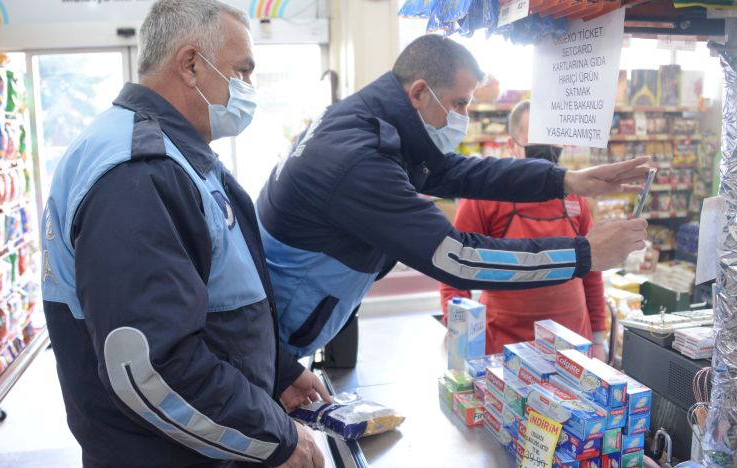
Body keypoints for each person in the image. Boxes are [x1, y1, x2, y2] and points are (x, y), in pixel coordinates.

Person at [41, 2, 328, 467]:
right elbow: (154, 365)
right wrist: (277, 437)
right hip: (166, 452)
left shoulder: (175, 155)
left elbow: (211, 300)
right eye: (242, 71)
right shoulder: (139, 174)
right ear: (192, 64)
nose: (249, 89)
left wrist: (276, 371)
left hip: (199, 439)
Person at [257, 35, 649, 359]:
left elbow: (457, 171)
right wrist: (582, 255)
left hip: (284, 329)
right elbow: (457, 258)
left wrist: (566, 181)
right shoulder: (358, 161)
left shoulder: (372, 123)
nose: (463, 116)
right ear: (419, 93)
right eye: (460, 103)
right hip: (274, 336)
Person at [439, 100, 607, 359]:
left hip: (573, 349)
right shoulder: (485, 196)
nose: (546, 152)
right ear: (511, 146)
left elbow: (593, 271)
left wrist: (598, 338)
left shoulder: (575, 197)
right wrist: (459, 333)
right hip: (503, 348)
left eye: (552, 142)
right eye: (536, 144)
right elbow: (453, 268)